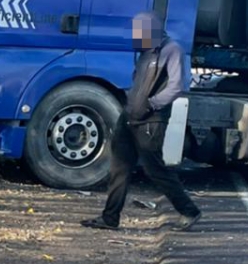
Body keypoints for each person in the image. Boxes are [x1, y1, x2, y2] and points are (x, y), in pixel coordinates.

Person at [81, 12, 202, 231]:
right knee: (119, 167)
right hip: (129, 118)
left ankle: (189, 210)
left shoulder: (171, 50)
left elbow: (176, 86)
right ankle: (110, 218)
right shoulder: (145, 52)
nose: (136, 36)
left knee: (155, 170)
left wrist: (152, 104)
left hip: (151, 121)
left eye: (141, 31)